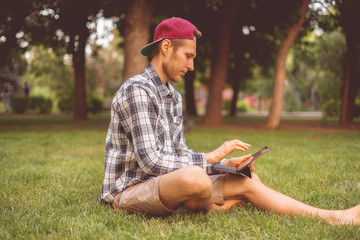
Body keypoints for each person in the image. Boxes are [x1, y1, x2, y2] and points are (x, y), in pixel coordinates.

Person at [99, 17, 360, 225]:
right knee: (196, 180)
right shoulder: (137, 89)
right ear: (166, 47)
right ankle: (211, 204)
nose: (191, 65)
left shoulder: (173, 97)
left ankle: (336, 217)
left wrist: (224, 166)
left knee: (247, 181)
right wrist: (211, 158)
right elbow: (151, 161)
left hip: (167, 182)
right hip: (129, 190)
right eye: (188, 56)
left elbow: (178, 155)